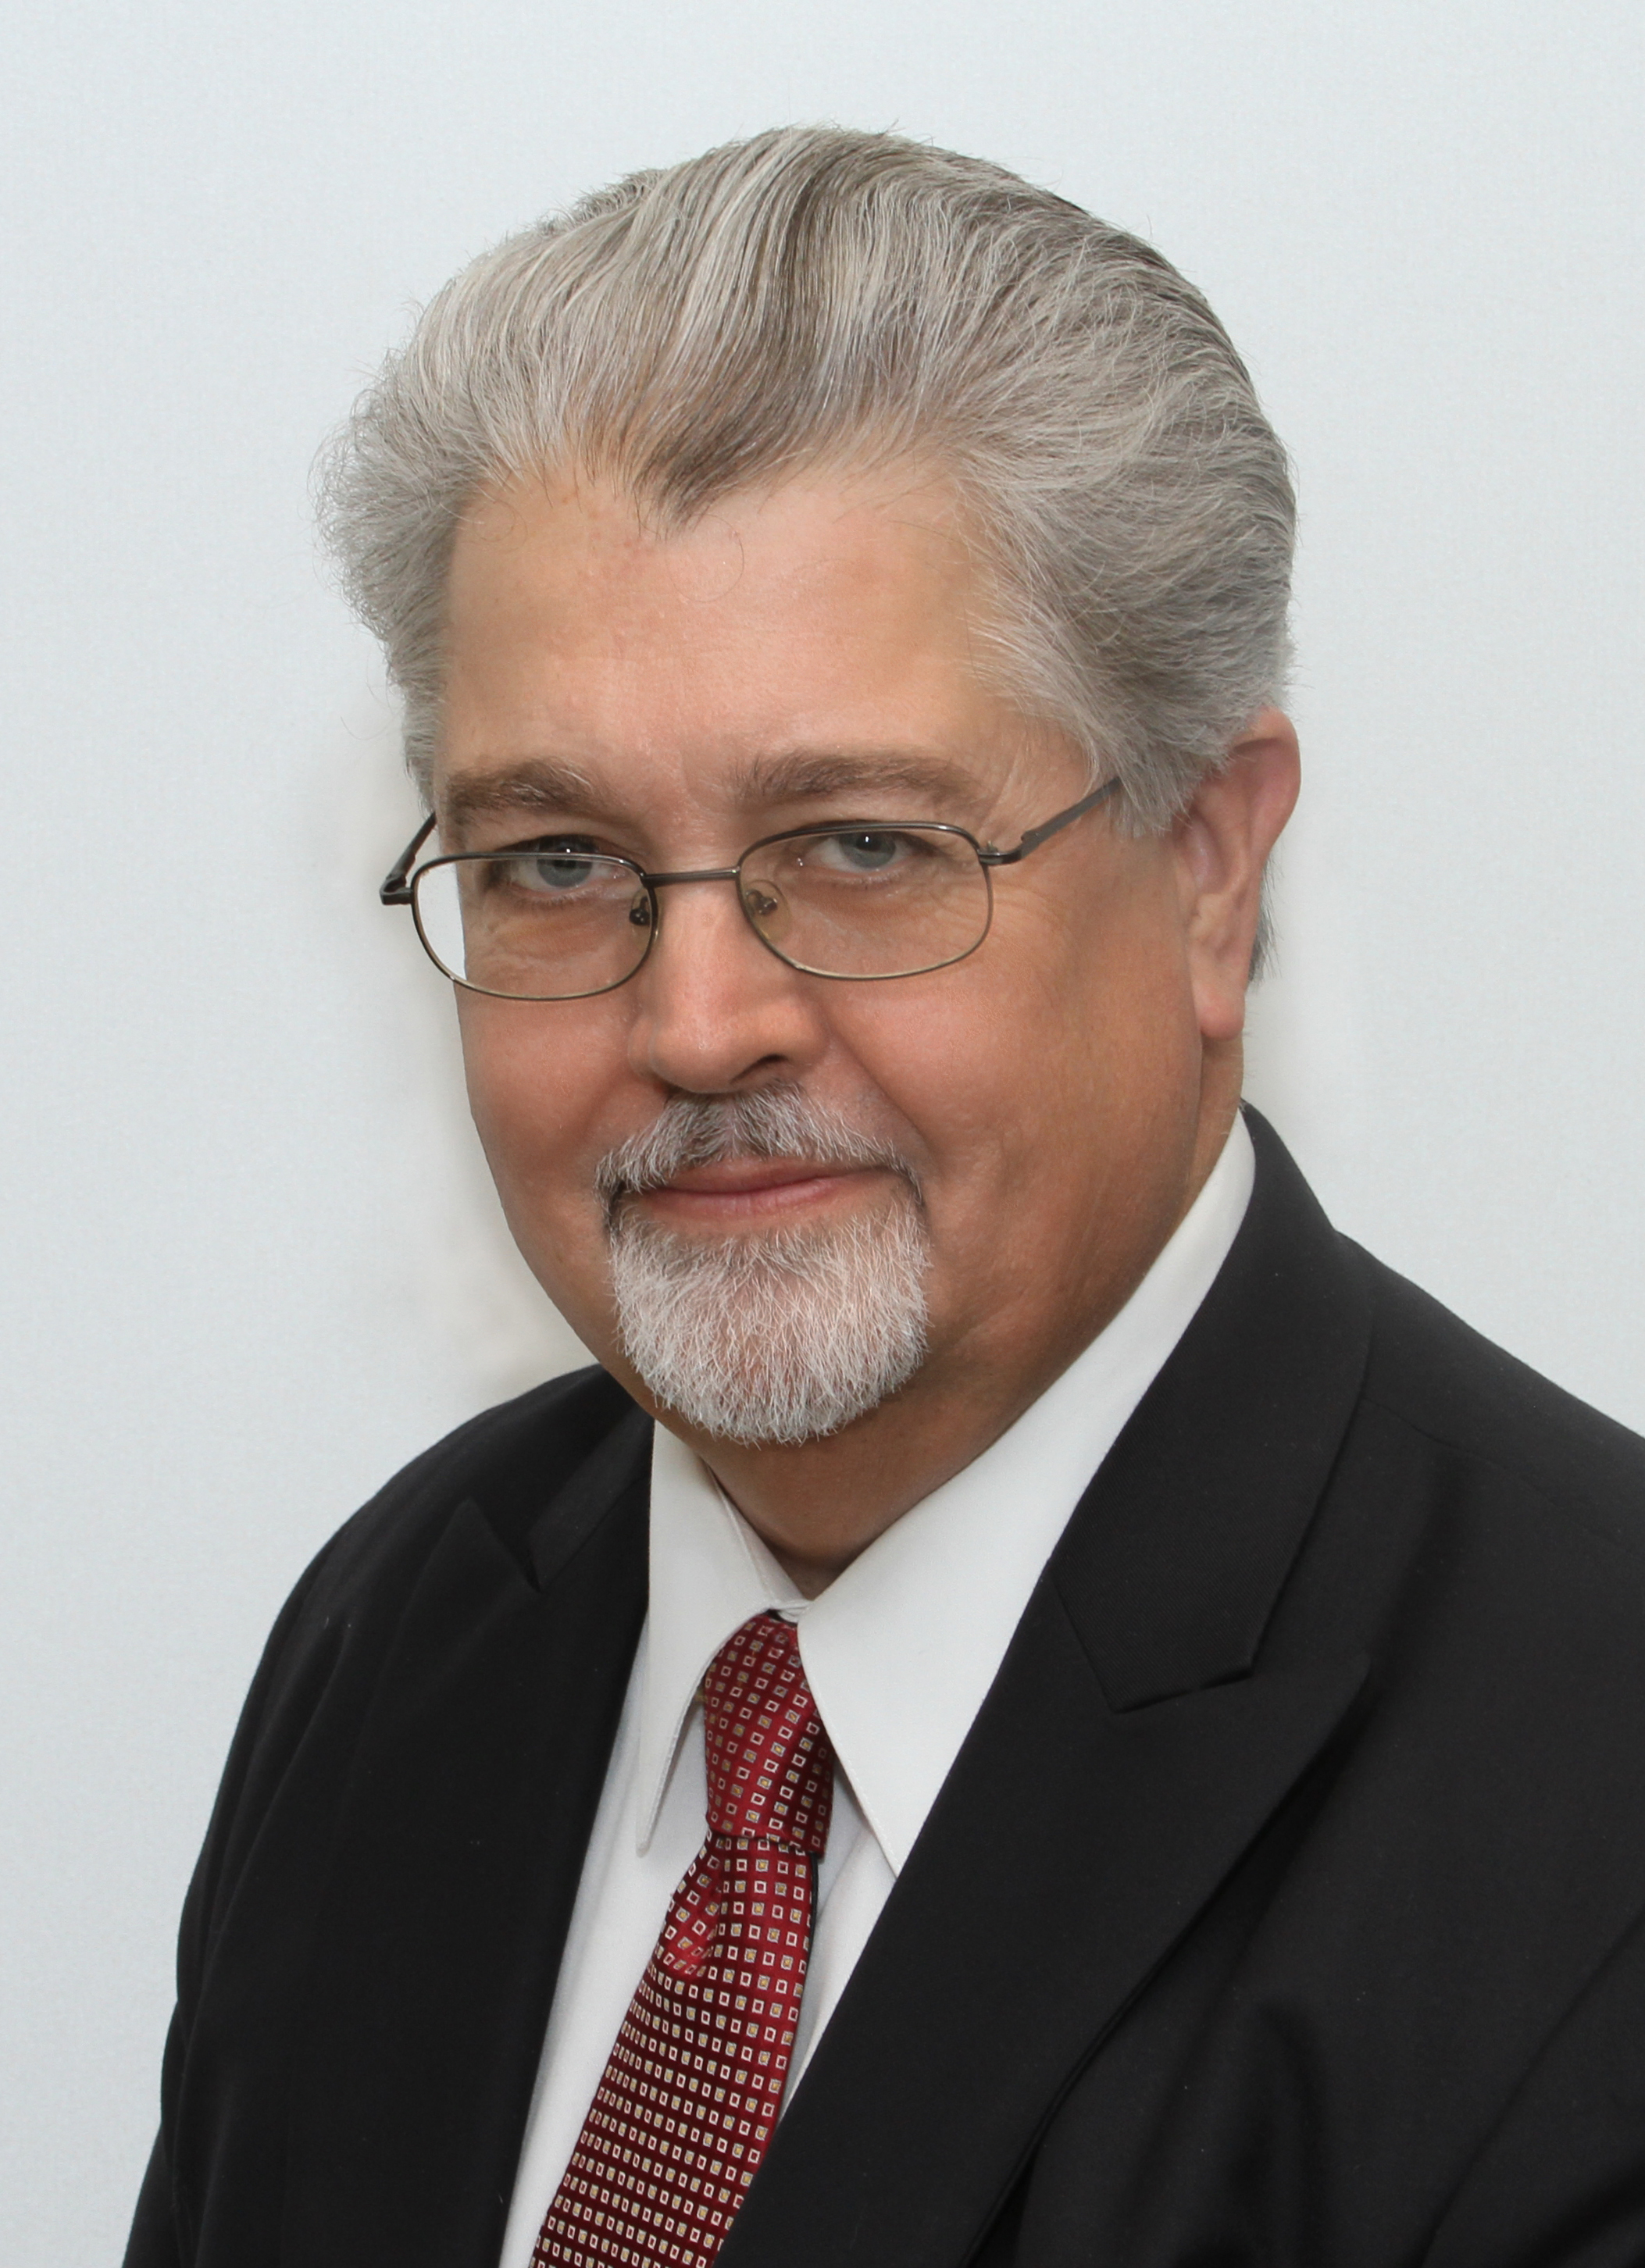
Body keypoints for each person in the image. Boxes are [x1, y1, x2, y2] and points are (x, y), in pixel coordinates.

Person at [125, 127, 1645, 2268]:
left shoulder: (1596, 1801)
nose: (699, 1021)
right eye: (558, 861)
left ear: (1210, 867)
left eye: (860, 846)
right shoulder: (406, 1632)